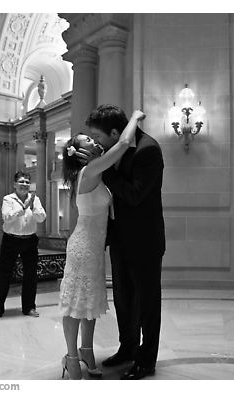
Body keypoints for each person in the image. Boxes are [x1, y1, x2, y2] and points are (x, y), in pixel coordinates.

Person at [78, 104, 166, 380]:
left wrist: (106, 171)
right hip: (119, 240)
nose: (96, 143)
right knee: (124, 301)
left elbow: (135, 195)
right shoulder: (113, 150)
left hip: (145, 241)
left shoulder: (148, 150)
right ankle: (127, 348)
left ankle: (146, 359)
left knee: (148, 304)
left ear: (116, 132)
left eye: (99, 137)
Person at [58, 109, 146, 380]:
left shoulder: (93, 170)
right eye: (88, 141)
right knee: (75, 305)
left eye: (94, 139)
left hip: (94, 249)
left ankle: (86, 351)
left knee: (90, 304)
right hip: (84, 247)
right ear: (80, 153)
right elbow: (121, 145)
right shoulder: (89, 170)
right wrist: (135, 117)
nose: (95, 143)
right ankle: (71, 358)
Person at [0, 171, 46, 321]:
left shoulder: (35, 199)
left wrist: (33, 206)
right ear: (15, 184)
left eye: (27, 182)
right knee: (4, 275)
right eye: (21, 182)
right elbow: (7, 218)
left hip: (30, 240)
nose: (24, 185)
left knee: (31, 275)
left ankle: (29, 307)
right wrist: (23, 208)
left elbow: (42, 218)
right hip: (11, 240)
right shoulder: (8, 199)